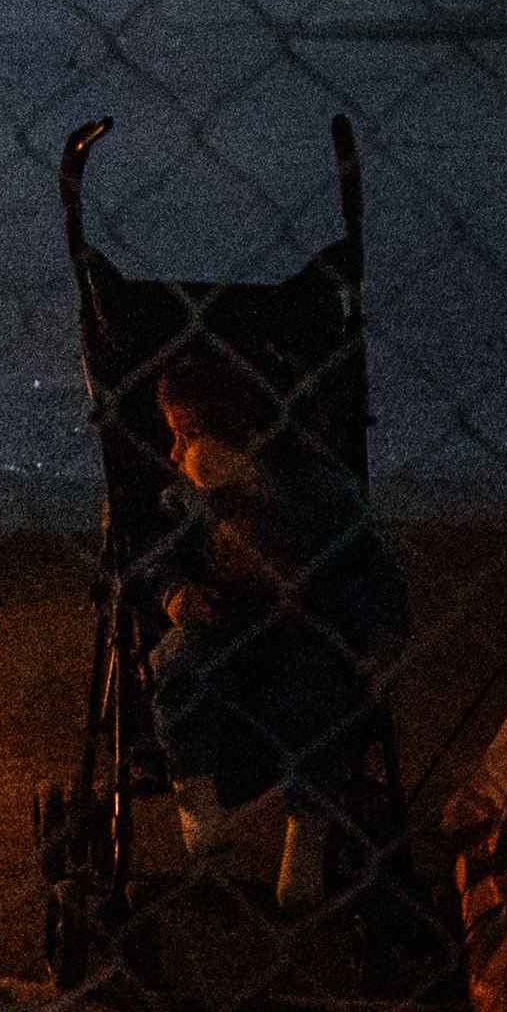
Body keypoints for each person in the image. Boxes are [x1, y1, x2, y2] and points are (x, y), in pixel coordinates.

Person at [140, 350, 412, 912]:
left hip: (303, 639)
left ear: (236, 433)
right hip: (220, 635)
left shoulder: (321, 492)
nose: (174, 452)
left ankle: (306, 843)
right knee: (176, 660)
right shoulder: (183, 500)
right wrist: (176, 596)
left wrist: (381, 634)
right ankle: (199, 804)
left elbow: (370, 568)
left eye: (185, 435)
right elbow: (155, 562)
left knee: (317, 685)